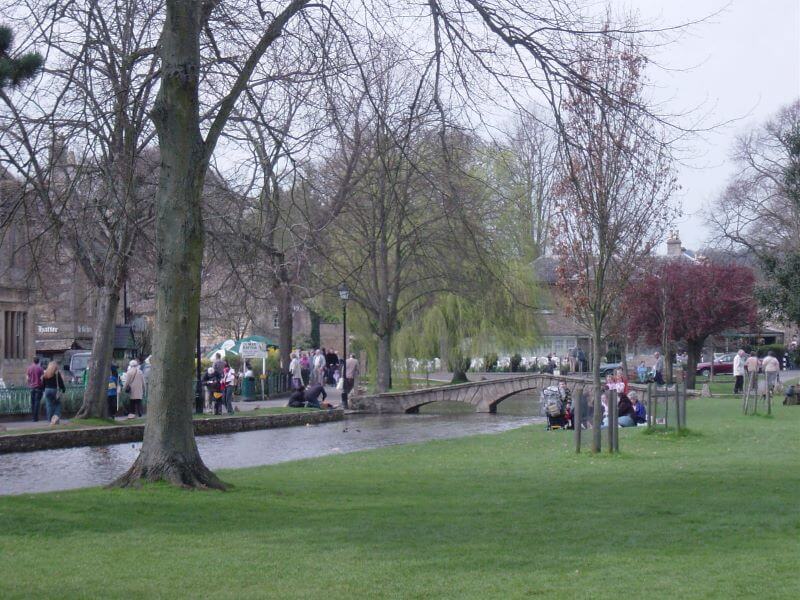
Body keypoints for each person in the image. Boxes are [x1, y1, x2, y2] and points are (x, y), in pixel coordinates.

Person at [42, 360, 66, 425]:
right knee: (58, 404)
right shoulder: (57, 373)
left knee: (49, 405)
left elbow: (43, 383)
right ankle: (56, 417)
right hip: (54, 390)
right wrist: (63, 389)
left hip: (47, 390)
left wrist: (43, 390)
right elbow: (60, 383)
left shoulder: (46, 373)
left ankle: (50, 420)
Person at [26, 356, 45, 422]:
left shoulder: (29, 368)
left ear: (33, 361)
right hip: (38, 387)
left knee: (32, 403)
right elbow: (42, 379)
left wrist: (29, 384)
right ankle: (35, 418)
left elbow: (27, 378)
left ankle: (33, 417)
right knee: (37, 402)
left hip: (32, 387)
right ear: (38, 361)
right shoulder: (40, 368)